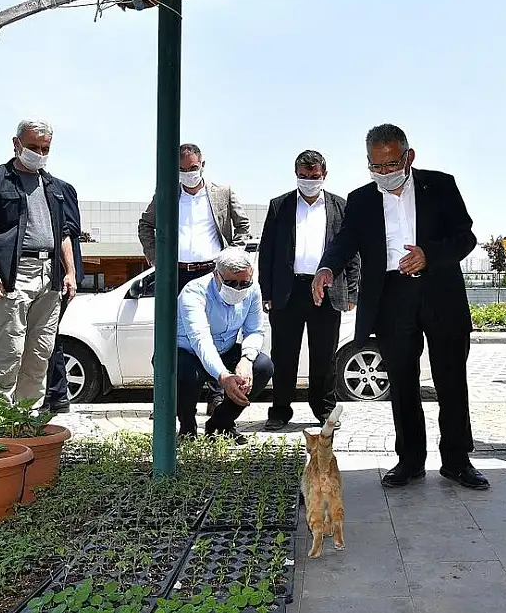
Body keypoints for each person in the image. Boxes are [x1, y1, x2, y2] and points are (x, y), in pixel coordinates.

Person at [312, 124, 488, 491]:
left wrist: (429, 255)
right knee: (403, 383)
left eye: (391, 165)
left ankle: (458, 461)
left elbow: (466, 236)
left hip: (440, 291)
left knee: (451, 379)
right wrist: (327, 267)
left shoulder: (440, 185)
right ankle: (409, 461)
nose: (384, 174)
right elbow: (345, 241)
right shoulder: (361, 199)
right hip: (391, 297)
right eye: (376, 167)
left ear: (409, 156)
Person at [0, 119, 78, 408]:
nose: (39, 153)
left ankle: (27, 420)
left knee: (41, 351)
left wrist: (70, 272)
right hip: (13, 276)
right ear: (16, 144)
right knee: (10, 350)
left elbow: (64, 233)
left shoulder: (55, 186)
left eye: (45, 148)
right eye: (33, 147)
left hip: (50, 276)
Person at [138, 143, 251, 416]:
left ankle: (216, 396)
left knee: (216, 334)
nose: (188, 173)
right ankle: (167, 398)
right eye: (182, 169)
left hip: (213, 273)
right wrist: (156, 258)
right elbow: (145, 225)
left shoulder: (222, 192)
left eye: (193, 168)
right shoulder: (166, 193)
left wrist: (231, 257)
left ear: (203, 165)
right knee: (172, 335)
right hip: (176, 274)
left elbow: (243, 225)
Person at [258, 150, 359, 431]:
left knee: (325, 355)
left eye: (314, 177)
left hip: (327, 291)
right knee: (284, 354)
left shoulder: (340, 206)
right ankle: (279, 411)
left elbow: (352, 252)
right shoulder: (280, 206)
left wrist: (351, 291)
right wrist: (266, 292)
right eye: (304, 177)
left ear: (324, 175)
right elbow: (267, 252)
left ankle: (324, 409)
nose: (309, 181)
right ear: (296, 175)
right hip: (287, 291)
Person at [176, 247, 274, 444]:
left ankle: (221, 424)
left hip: (225, 348)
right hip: (189, 351)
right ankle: (187, 429)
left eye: (243, 283)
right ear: (216, 276)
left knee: (262, 366)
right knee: (186, 373)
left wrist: (246, 360)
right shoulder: (194, 292)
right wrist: (224, 376)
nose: (238, 288)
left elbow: (254, 330)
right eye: (231, 283)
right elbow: (200, 340)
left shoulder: (253, 289)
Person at [43, 181, 84, 413]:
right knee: (49, 336)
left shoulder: (59, 189)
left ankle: (56, 394)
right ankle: (56, 394)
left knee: (48, 336)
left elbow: (71, 228)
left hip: (61, 274)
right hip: (59, 273)